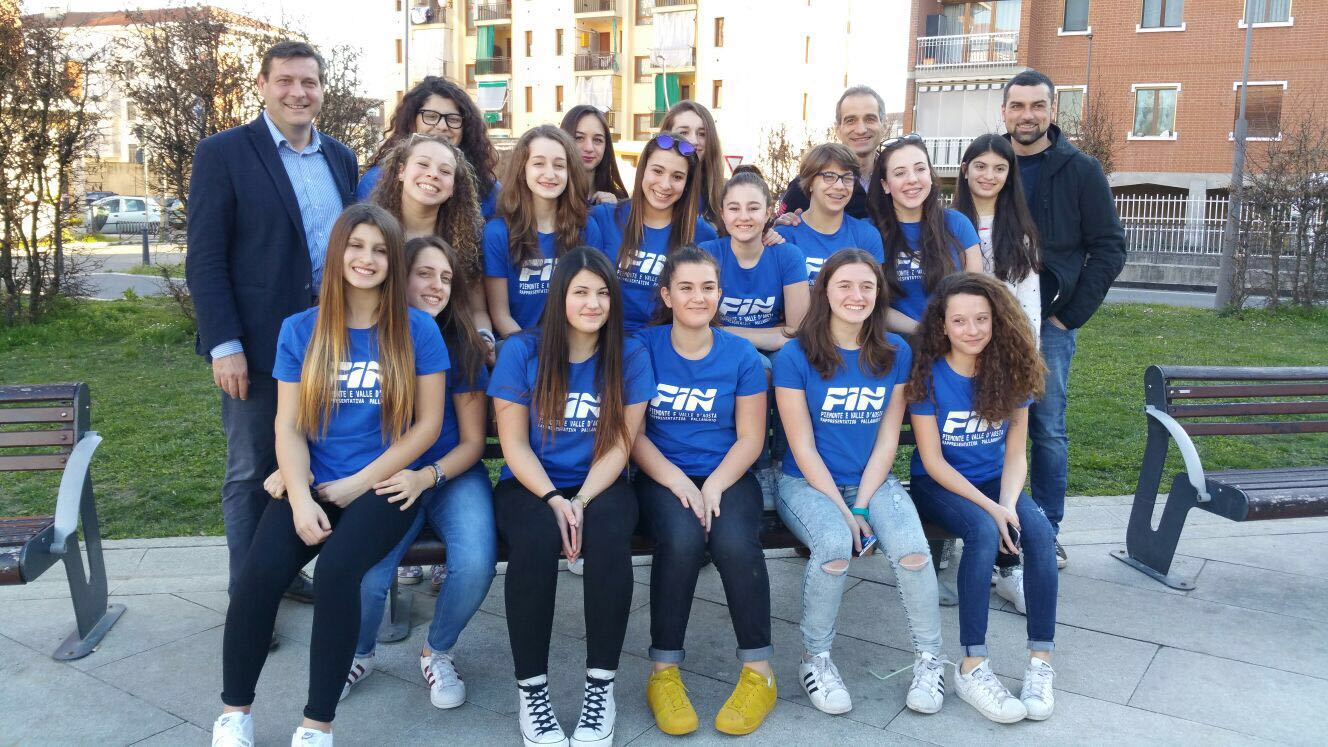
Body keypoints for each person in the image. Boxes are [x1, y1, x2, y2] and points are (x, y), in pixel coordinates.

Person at [211, 204, 449, 747]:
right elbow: (288, 425)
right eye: (356, 246)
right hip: (312, 482)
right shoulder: (301, 329)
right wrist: (299, 497)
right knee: (256, 578)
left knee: (339, 573)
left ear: (393, 261)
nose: (367, 259)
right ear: (337, 251)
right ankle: (234, 714)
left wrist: (359, 483)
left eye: (381, 250)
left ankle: (317, 725)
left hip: (384, 485)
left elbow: (428, 426)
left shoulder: (416, 329)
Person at [187, 40, 358, 606]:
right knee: (250, 470)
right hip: (258, 347)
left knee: (308, 463)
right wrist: (224, 345)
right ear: (262, 85)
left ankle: (284, 573)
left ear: (322, 90)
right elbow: (205, 259)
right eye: (285, 80)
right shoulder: (224, 153)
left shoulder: (340, 157)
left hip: (331, 344)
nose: (297, 92)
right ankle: (250, 598)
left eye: (309, 82)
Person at [300, 236, 493, 709]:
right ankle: (358, 654)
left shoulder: (462, 345)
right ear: (397, 276)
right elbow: (315, 420)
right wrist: (290, 470)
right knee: (368, 576)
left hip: (448, 475)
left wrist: (427, 478)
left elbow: (473, 443)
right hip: (381, 476)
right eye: (424, 273)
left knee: (474, 563)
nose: (437, 286)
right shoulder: (359, 339)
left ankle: (437, 651)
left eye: (446, 278)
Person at [487, 246, 655, 747]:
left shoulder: (628, 354)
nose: (593, 303)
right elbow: (514, 444)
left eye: (603, 293)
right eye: (581, 292)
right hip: (530, 484)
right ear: (560, 296)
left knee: (608, 537)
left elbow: (621, 443)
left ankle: (600, 688)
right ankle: (532, 693)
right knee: (535, 540)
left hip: (599, 482)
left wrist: (579, 500)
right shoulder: (522, 351)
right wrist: (552, 499)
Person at [772, 249, 945, 718]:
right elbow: (802, 448)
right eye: (845, 285)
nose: (856, 295)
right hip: (806, 484)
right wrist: (845, 514)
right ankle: (815, 659)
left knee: (913, 551)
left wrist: (863, 506)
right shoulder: (795, 356)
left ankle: (931, 660)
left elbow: (888, 439)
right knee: (833, 547)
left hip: (872, 481)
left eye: (867, 286)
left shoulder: (896, 352)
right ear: (824, 291)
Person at [632, 247, 776, 736]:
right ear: (666, 295)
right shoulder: (643, 348)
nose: (698, 297)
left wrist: (713, 484)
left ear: (720, 294)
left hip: (727, 474)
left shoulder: (740, 355)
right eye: (686, 288)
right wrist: (677, 481)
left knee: (734, 542)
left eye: (708, 288)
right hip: (662, 475)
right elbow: (632, 434)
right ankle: (663, 673)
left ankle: (759, 673)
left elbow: (750, 438)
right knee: (682, 539)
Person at [905, 272, 1056, 724]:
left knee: (1039, 533)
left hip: (994, 484)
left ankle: (1040, 663)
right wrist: (993, 511)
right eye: (959, 321)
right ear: (942, 326)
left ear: (997, 320)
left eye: (981, 319)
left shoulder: (1011, 370)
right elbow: (933, 462)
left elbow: (1016, 454)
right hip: (940, 485)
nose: (971, 329)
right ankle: (972, 666)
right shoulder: (928, 375)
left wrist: (1008, 503)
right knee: (984, 532)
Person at [1001, 71, 1126, 566]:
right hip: (988, 325)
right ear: (1004, 111)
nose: (1027, 115)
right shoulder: (991, 161)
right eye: (1017, 106)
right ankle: (986, 525)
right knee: (983, 426)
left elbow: (1109, 247)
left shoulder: (1080, 169)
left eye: (1037, 105)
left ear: (1052, 110)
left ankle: (1045, 531)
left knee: (1047, 429)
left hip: (1050, 323)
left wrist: (1069, 317)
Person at [485, 125, 606, 337]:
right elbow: (500, 315)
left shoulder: (586, 229)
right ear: (522, 170)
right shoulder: (497, 233)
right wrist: (530, 351)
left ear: (570, 172)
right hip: (519, 344)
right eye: (538, 163)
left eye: (559, 165)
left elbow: (591, 302)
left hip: (572, 343)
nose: (550, 174)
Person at [592, 132, 718, 334]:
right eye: (657, 171)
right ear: (642, 170)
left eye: (677, 177)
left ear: (687, 184)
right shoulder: (603, 218)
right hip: (608, 338)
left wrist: (768, 235)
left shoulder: (702, 234)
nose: (665, 185)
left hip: (668, 340)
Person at [868, 133, 983, 334]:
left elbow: (975, 292)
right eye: (900, 173)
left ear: (930, 175)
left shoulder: (957, 224)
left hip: (952, 340)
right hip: (894, 346)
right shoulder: (868, 232)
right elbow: (872, 304)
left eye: (920, 169)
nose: (912, 179)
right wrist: (926, 331)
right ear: (885, 185)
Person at [357, 76, 502, 220]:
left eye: (453, 119)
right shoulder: (375, 181)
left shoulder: (488, 190)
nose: (442, 126)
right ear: (411, 122)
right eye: (431, 117)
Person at [699, 171, 809, 352]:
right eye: (734, 208)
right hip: (719, 349)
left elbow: (795, 332)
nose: (744, 216)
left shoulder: (788, 256)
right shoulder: (706, 254)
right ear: (723, 213)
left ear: (767, 213)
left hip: (771, 350)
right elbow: (697, 326)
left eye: (753, 208)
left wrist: (724, 332)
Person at [952, 133, 1042, 342]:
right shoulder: (945, 225)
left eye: (999, 168)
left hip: (1005, 342)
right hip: (956, 342)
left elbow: (1028, 302)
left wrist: (1030, 349)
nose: (989, 176)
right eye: (981, 166)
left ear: (1009, 176)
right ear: (965, 170)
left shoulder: (1021, 232)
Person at [773, 144, 884, 284]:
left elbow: (873, 292)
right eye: (829, 176)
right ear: (810, 182)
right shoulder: (785, 236)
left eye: (847, 178)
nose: (840, 186)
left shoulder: (866, 235)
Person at [777, 86, 888, 221]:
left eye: (870, 119)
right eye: (851, 121)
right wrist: (779, 225)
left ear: (884, 126)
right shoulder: (807, 183)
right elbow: (777, 229)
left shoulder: (897, 179)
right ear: (838, 129)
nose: (861, 130)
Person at [659, 100, 726, 228]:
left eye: (702, 134)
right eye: (683, 132)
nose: (694, 141)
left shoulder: (723, 195)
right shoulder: (653, 188)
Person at [561, 105, 629, 205]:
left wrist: (614, 211)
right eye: (579, 138)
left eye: (597, 140)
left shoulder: (619, 202)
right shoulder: (551, 196)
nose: (589, 148)